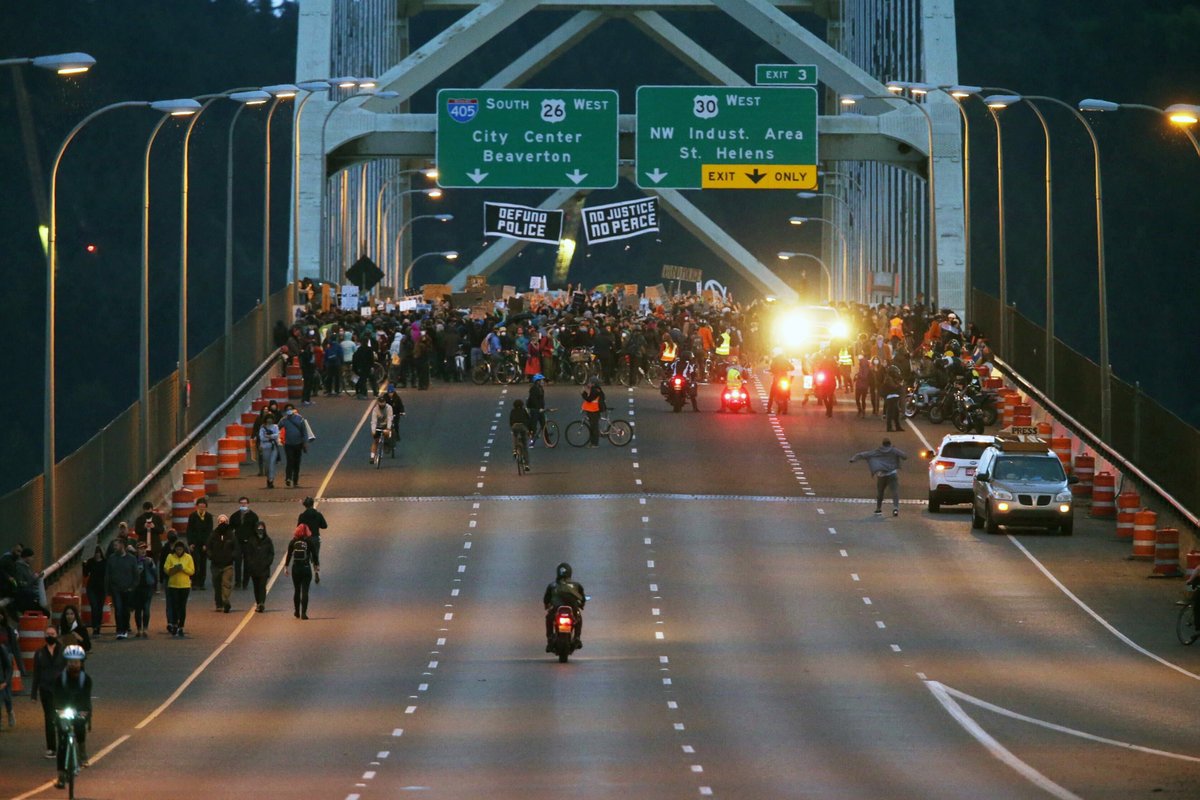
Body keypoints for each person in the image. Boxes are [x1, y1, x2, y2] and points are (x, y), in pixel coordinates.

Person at [52, 644, 92, 787]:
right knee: (62, 742)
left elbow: (86, 699)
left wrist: (83, 712)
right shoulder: (59, 679)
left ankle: (82, 750)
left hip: (81, 709)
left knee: (80, 726)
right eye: (70, 662)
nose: (73, 664)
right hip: (64, 710)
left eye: (76, 661)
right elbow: (56, 698)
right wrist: (59, 711)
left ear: (81, 662)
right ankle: (61, 775)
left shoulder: (85, 679)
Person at [850, 438, 909, 517]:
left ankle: (878, 509)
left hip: (881, 475)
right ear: (889, 444)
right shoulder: (894, 450)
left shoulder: (877, 451)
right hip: (892, 474)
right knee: (894, 492)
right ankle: (895, 508)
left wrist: (853, 459)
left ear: (883, 444)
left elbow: (863, 454)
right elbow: (904, 456)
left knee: (880, 492)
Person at [31, 624, 63, 759]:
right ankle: (51, 748)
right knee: (49, 719)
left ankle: (63, 745)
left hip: (61, 690)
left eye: (52, 634)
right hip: (46, 690)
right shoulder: (39, 653)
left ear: (57, 635)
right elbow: (36, 674)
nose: (50, 636)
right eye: (48, 634)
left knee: (62, 718)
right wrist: (33, 694)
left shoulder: (64, 651)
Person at [542, 562, 586, 652]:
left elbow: (546, 599)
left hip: (556, 610)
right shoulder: (576, 585)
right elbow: (583, 598)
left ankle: (550, 639)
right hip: (572, 610)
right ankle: (577, 638)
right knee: (579, 618)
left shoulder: (552, 585)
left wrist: (547, 605)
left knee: (549, 619)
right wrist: (581, 605)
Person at [103, 538, 139, 640]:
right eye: (114, 545)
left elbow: (135, 574)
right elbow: (108, 575)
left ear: (122, 545)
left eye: (116, 545)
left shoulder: (131, 559)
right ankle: (120, 630)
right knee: (118, 609)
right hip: (116, 588)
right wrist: (108, 589)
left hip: (128, 588)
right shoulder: (112, 558)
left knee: (126, 610)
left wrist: (132, 587)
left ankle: (125, 628)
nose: (115, 547)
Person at [284, 524, 319, 620]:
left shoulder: (293, 541)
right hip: (306, 568)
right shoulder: (309, 541)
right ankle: (304, 613)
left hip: (296, 568)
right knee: (305, 591)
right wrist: (316, 565)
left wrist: (286, 566)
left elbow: (289, 555)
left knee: (297, 590)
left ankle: (296, 611)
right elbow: (314, 554)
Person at [162, 538, 195, 637]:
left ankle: (181, 626)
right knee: (174, 606)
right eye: (177, 549)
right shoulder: (170, 557)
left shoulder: (188, 557)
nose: (179, 551)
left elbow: (192, 571)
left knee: (182, 606)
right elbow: (166, 569)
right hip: (173, 585)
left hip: (184, 585)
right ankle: (175, 624)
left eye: (180, 549)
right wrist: (174, 569)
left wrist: (183, 568)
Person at [208, 515, 239, 613]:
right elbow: (208, 547)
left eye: (224, 521)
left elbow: (236, 548)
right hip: (215, 565)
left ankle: (225, 601)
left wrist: (231, 557)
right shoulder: (213, 534)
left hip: (227, 565)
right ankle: (218, 604)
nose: (222, 523)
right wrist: (211, 556)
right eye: (220, 521)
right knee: (217, 585)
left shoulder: (231, 535)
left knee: (226, 584)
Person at [244, 522, 275, 614]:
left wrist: (267, 563)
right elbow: (248, 554)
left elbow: (271, 553)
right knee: (256, 587)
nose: (260, 530)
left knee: (262, 586)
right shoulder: (251, 540)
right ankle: (258, 602)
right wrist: (251, 563)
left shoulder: (268, 540)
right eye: (259, 528)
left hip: (264, 568)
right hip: (254, 569)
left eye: (262, 528)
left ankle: (261, 603)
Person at [230, 497, 259, 590]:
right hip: (238, 542)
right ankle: (238, 582)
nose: (243, 505)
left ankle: (245, 582)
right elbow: (230, 529)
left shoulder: (253, 516)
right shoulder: (234, 516)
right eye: (241, 503)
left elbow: (256, 530)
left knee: (247, 563)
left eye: (245, 503)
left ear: (248, 504)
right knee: (237, 563)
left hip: (248, 543)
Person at [186, 496, 212, 591]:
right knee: (194, 563)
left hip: (204, 544)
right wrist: (190, 543)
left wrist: (206, 544)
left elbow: (209, 531)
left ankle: (202, 583)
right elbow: (189, 530)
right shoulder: (192, 516)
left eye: (203, 506)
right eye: (200, 506)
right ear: (197, 506)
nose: (202, 508)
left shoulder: (208, 517)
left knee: (203, 563)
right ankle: (194, 582)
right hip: (195, 543)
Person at [131, 541, 157, 638]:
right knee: (138, 609)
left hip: (147, 586)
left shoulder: (149, 560)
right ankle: (139, 629)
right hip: (137, 587)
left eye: (144, 549)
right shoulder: (133, 561)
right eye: (141, 549)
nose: (143, 551)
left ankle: (145, 629)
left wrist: (155, 585)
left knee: (146, 608)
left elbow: (154, 572)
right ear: (136, 550)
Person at [280, 404, 309, 488]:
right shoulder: (283, 420)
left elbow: (304, 432)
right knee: (290, 460)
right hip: (288, 444)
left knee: (297, 463)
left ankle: (295, 481)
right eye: (287, 409)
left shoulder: (300, 419)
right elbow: (276, 428)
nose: (289, 410)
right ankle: (288, 478)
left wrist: (305, 442)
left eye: (290, 409)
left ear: (293, 410)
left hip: (298, 444)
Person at [81, 547, 106, 636]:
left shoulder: (105, 563)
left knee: (99, 608)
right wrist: (84, 564)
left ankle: (98, 626)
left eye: (98, 553)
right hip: (92, 587)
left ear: (101, 554)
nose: (97, 555)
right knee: (94, 607)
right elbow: (85, 574)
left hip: (102, 588)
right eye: (95, 553)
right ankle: (95, 627)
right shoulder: (91, 562)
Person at [297, 496, 328, 562]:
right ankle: (316, 568)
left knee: (306, 556)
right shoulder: (318, 514)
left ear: (305, 506)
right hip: (316, 537)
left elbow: (298, 527)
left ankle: (307, 568)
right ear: (312, 504)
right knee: (315, 556)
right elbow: (324, 526)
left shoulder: (302, 516)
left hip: (306, 539)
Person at [369, 394, 394, 464]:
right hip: (378, 426)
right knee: (375, 441)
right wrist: (373, 430)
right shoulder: (375, 410)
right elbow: (373, 421)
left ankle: (387, 443)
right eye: (380, 404)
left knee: (387, 434)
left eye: (383, 403)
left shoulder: (389, 408)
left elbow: (389, 418)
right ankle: (372, 456)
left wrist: (388, 428)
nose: (382, 405)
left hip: (386, 425)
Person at [258, 414, 281, 489]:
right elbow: (262, 438)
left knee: (272, 464)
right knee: (267, 465)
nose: (269, 420)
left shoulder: (275, 426)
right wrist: (270, 437)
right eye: (268, 418)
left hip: (273, 447)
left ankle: (271, 480)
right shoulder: (262, 428)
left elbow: (277, 435)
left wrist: (269, 436)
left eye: (271, 418)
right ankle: (268, 478)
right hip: (265, 447)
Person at [581, 378, 605, 448]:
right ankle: (593, 442)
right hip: (593, 410)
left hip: (594, 411)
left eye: (589, 382)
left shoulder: (595, 391)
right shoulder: (596, 389)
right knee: (593, 426)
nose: (588, 384)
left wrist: (583, 393)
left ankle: (595, 443)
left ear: (593, 384)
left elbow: (589, 399)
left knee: (594, 427)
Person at [510, 399, 532, 472]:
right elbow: (529, 420)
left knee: (514, 436)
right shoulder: (524, 411)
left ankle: (515, 450)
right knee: (525, 445)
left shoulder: (512, 411)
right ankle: (526, 465)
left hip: (515, 426)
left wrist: (512, 427)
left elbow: (511, 421)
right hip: (523, 427)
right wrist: (529, 430)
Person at [882, 365, 904, 433]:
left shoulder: (891, 378)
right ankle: (889, 427)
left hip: (894, 397)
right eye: (895, 372)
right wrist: (899, 385)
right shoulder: (888, 379)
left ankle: (897, 426)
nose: (896, 373)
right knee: (890, 413)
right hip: (890, 397)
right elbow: (893, 387)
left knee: (896, 413)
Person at [526, 374, 546, 443]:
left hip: (540, 410)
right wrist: (538, 408)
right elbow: (534, 400)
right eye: (542, 380)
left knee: (544, 424)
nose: (543, 381)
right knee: (533, 426)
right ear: (538, 381)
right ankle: (531, 441)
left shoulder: (541, 389)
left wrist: (542, 408)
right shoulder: (533, 389)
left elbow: (541, 400)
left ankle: (548, 441)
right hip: (534, 410)